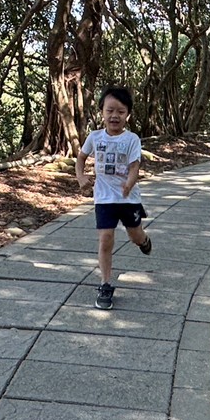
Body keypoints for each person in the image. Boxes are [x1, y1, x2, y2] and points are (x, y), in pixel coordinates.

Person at [76, 86, 152, 310]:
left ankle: (144, 241)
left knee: (135, 236)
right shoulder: (94, 137)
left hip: (128, 199)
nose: (114, 116)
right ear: (101, 112)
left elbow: (134, 166)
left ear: (127, 114)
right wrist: (81, 177)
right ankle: (105, 284)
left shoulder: (131, 139)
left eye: (120, 111)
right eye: (110, 110)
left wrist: (129, 182)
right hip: (104, 198)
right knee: (105, 239)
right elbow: (80, 159)